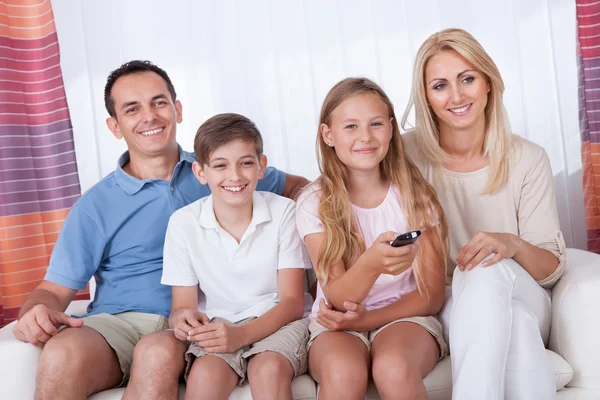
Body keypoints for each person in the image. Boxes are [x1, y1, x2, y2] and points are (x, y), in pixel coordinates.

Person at [11, 60, 309, 399]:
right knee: (62, 354)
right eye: (132, 109)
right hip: (118, 323)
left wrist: (327, 237)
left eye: (159, 102)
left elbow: (301, 189)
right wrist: (34, 312)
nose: (149, 116)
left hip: (190, 325)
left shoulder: (221, 170)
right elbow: (52, 290)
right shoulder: (95, 206)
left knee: (156, 354)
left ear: (177, 110)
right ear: (115, 125)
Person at [401, 28, 566, 399]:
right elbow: (343, 179)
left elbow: (551, 270)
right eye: (440, 85)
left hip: (522, 293)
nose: (457, 96)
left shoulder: (527, 158)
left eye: (467, 79)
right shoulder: (405, 157)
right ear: (426, 97)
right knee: (517, 329)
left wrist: (511, 245)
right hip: (448, 305)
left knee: (486, 270)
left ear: (488, 83)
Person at [134, 113, 312, 400]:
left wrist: (242, 335)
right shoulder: (183, 224)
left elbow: (292, 303)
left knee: (268, 369)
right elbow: (182, 306)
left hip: (279, 321)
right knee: (204, 377)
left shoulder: (284, 213)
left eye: (246, 163)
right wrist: (182, 319)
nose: (235, 176)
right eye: (220, 165)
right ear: (201, 173)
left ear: (261, 166)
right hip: (218, 325)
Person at [295, 77, 449, 400]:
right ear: (328, 135)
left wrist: (369, 319)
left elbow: (431, 295)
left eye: (376, 123)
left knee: (393, 366)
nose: (365, 136)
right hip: (335, 322)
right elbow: (337, 298)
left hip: (407, 316)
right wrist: (372, 264)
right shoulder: (314, 201)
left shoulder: (415, 195)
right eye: (350, 126)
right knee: (343, 372)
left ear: (391, 129)